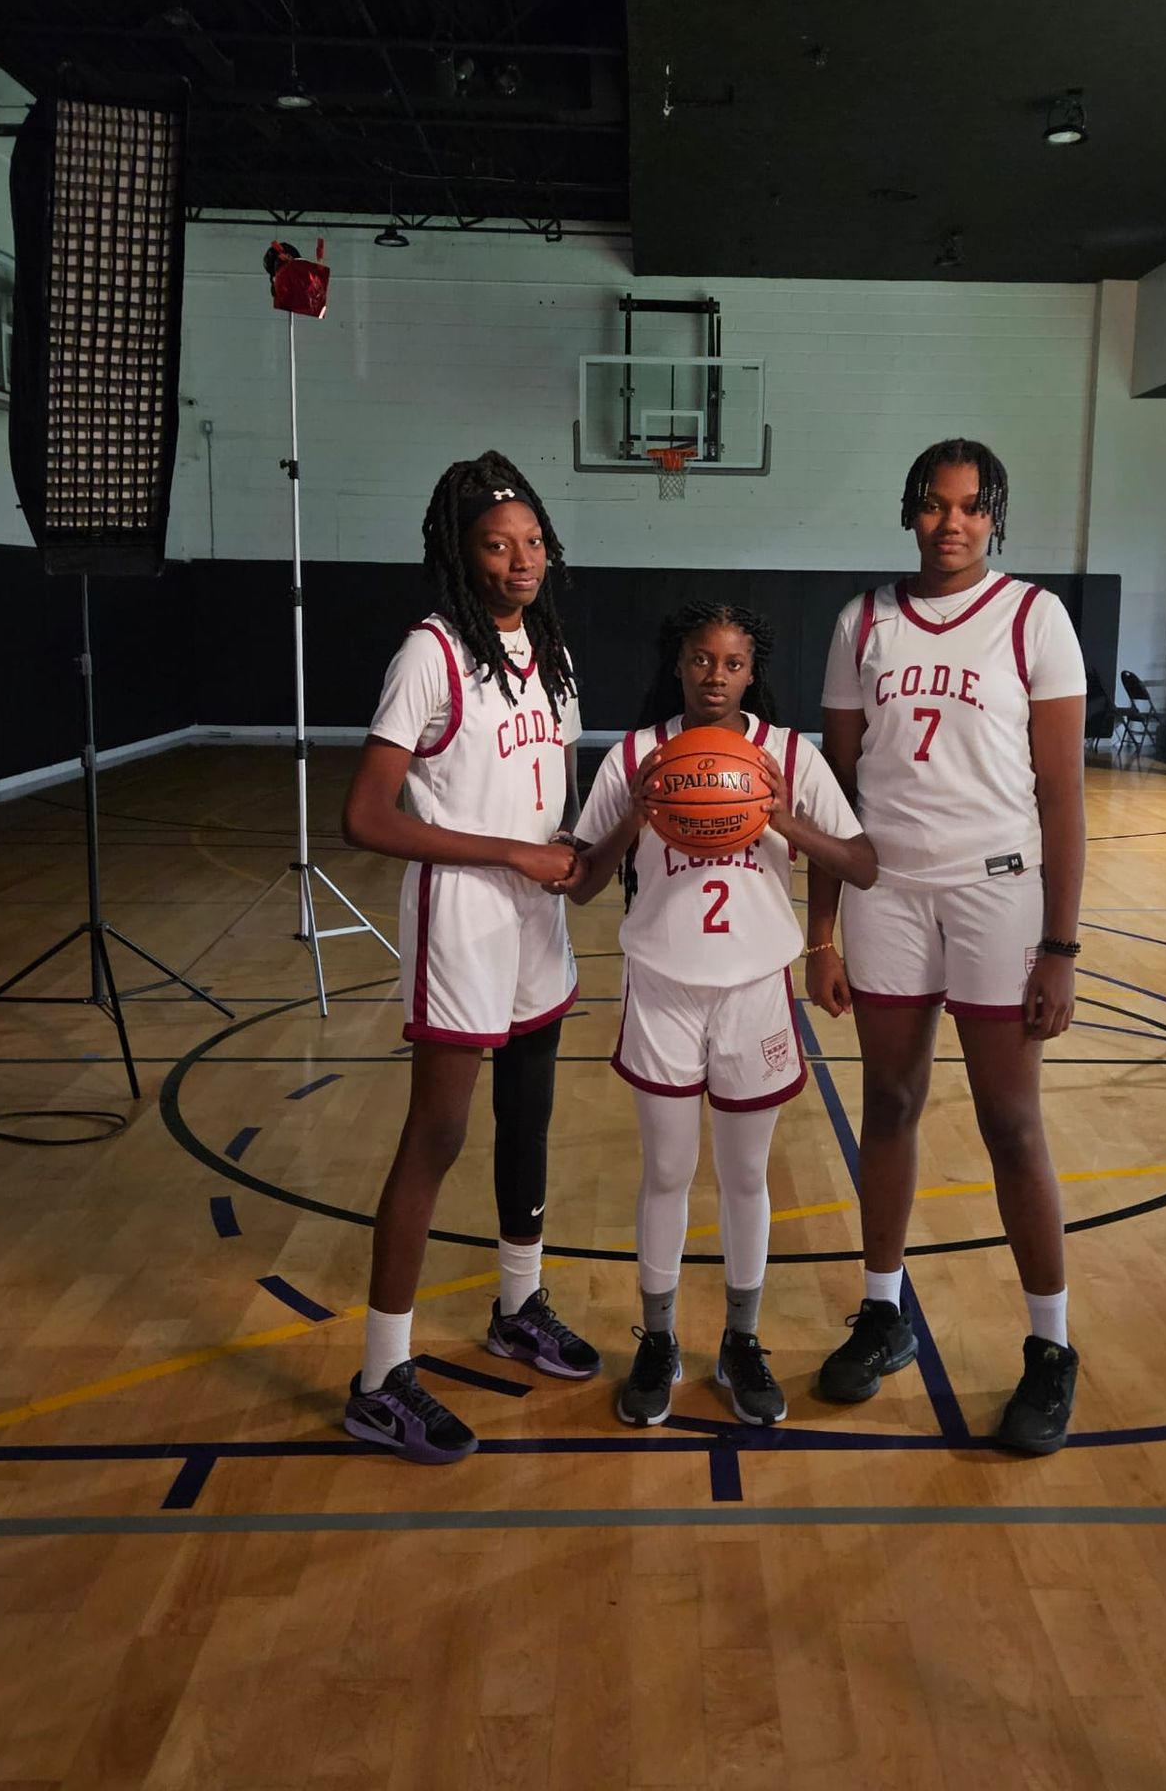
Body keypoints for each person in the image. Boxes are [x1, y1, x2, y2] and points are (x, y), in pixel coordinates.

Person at [806, 437, 1088, 1454]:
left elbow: (1064, 796)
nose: (951, 524)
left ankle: (1050, 1349)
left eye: (970, 507)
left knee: (1012, 1123)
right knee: (888, 1103)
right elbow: (832, 797)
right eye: (932, 505)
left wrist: (1061, 944)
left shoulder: (1034, 619)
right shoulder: (861, 622)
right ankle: (884, 1312)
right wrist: (820, 934)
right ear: (908, 511)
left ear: (996, 517)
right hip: (886, 890)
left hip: (997, 897)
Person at [337, 451, 599, 1465]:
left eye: (533, 542)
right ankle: (379, 1376)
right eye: (497, 544)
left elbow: (551, 790)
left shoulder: (551, 647)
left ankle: (518, 1304)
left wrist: (574, 851)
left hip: (537, 914)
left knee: (529, 1116)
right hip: (463, 916)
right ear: (461, 552)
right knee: (436, 1137)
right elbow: (364, 816)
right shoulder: (431, 652)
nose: (520, 559)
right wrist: (510, 852)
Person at [569, 603, 876, 1427]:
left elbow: (864, 862)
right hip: (663, 984)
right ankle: (661, 1339)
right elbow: (586, 880)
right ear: (678, 664)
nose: (715, 676)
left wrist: (782, 819)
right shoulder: (635, 755)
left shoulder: (786, 754)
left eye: (732, 663)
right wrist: (637, 814)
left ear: (751, 672)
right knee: (666, 1172)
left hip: (754, 989)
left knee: (745, 1175)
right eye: (701, 660)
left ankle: (742, 1338)